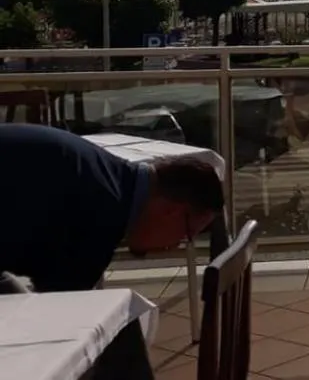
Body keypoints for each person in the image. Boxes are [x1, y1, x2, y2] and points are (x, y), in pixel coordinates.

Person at [0, 124, 224, 292]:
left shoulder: (107, 170)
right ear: (173, 211)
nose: (174, 246)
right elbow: (63, 310)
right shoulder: (102, 216)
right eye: (186, 235)